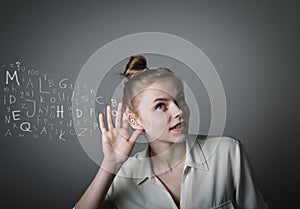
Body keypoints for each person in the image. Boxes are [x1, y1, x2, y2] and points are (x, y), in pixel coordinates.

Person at [74, 55, 268, 209]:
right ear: (135, 119)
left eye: (180, 99)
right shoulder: (123, 176)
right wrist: (110, 164)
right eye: (160, 106)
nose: (178, 111)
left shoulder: (227, 152)